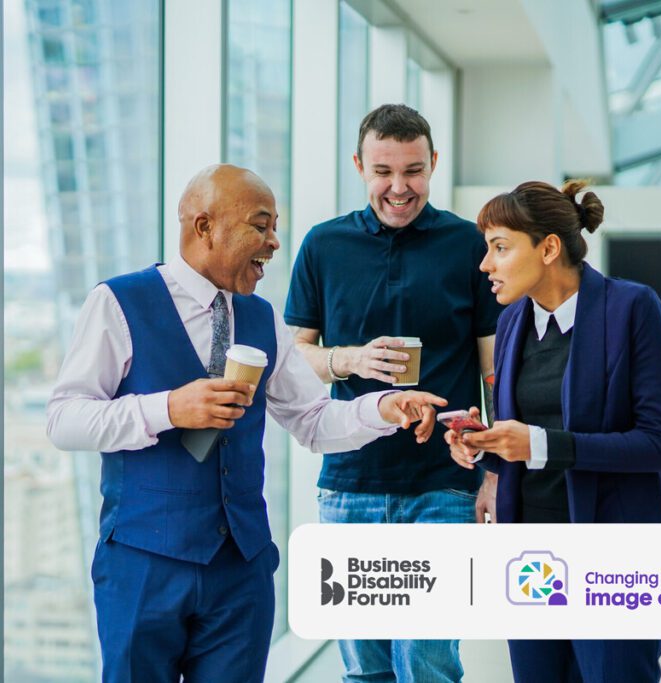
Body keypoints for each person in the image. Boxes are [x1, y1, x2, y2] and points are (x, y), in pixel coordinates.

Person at [46, 164, 447, 683]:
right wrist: (167, 409)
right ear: (204, 226)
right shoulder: (119, 303)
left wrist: (382, 409)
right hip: (143, 565)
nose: (275, 242)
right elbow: (64, 419)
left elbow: (311, 420)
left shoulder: (262, 319)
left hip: (241, 569)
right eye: (261, 225)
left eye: (275, 225)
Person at [284, 104, 502, 682]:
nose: (399, 187)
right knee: (367, 670)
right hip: (349, 485)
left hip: (446, 486)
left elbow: (494, 370)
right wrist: (349, 358)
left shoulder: (469, 246)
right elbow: (293, 362)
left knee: (427, 663)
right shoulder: (322, 246)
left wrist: (498, 474)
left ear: (433, 164)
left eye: (413, 170)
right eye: (384, 171)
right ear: (359, 166)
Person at [445, 179, 661, 683]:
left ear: (549, 248)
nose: (485, 265)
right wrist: (483, 445)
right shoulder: (511, 323)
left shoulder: (632, 308)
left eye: (500, 248)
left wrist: (541, 445)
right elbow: (524, 444)